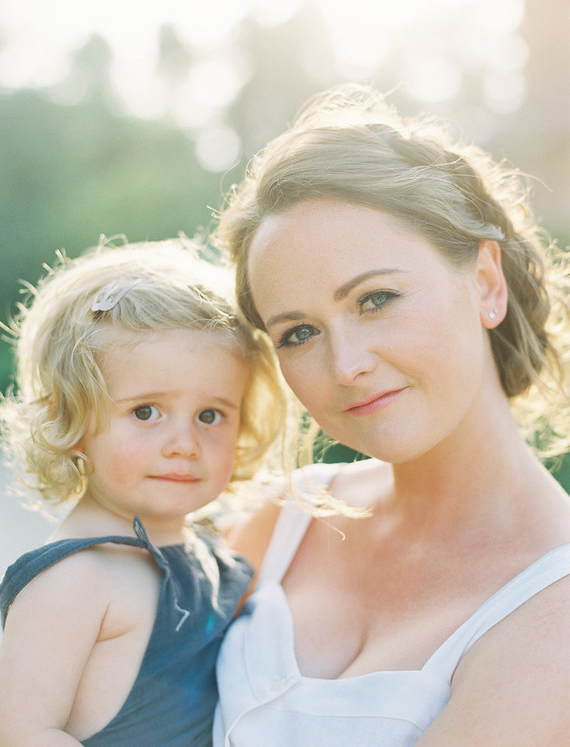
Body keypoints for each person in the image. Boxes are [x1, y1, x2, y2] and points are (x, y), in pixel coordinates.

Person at [212, 84, 570, 746]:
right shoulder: (284, 518)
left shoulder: (555, 610)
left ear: (486, 283)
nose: (345, 365)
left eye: (376, 299)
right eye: (298, 333)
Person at [0, 237, 285, 747]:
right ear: (72, 419)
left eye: (210, 415)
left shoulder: (208, 551)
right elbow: (18, 731)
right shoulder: (76, 580)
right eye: (146, 412)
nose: (184, 444)